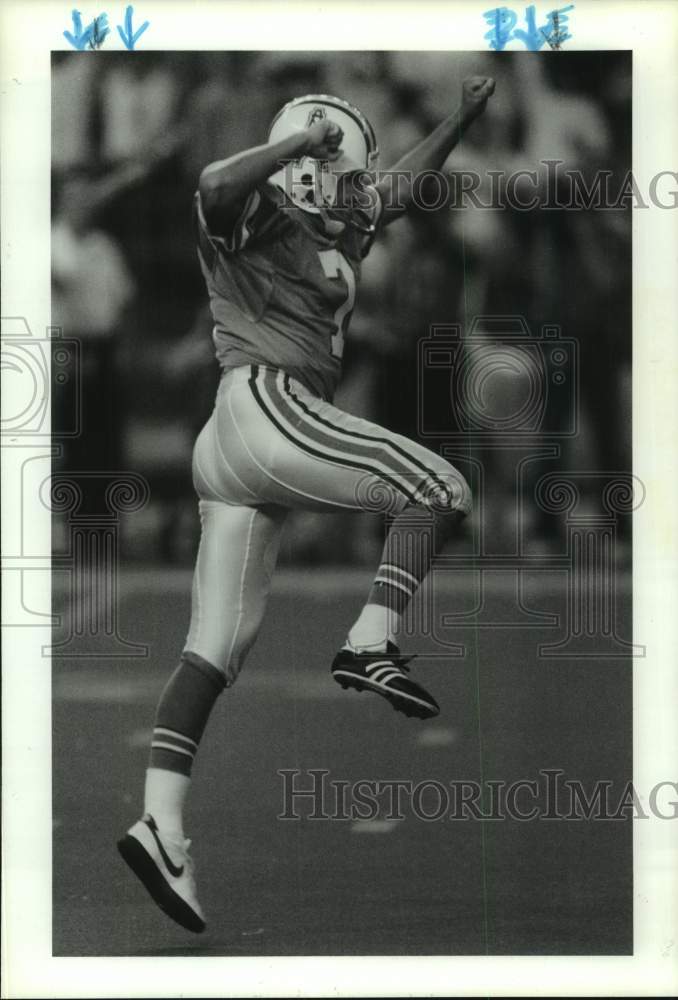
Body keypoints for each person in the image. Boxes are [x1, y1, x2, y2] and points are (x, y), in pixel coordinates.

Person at [118, 76, 496, 933]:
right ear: (310, 167)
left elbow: (399, 188)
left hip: (241, 442)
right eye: (346, 172)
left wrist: (459, 120)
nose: (360, 189)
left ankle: (161, 825)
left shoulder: (342, 221)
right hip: (265, 405)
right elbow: (214, 182)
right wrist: (298, 142)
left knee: (215, 649)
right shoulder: (259, 211)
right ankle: (369, 639)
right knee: (441, 488)